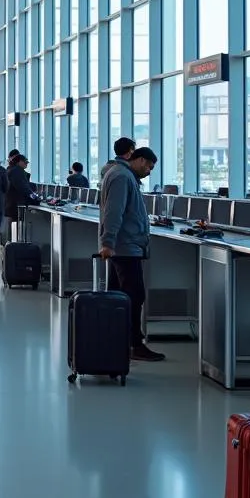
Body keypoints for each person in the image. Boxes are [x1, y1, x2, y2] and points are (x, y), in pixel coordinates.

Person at [99, 146, 163, 363]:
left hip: (124, 245)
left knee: (119, 295)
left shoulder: (120, 174)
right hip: (125, 247)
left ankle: (117, 340)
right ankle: (134, 344)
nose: (149, 171)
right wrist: (108, 241)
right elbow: (114, 211)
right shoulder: (122, 177)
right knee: (135, 296)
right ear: (141, 160)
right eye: (150, 167)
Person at [5, 152, 31, 243]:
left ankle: (10, 244)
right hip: (16, 203)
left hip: (10, 202)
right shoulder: (17, 171)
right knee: (14, 225)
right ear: (19, 162)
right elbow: (22, 187)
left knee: (12, 224)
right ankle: (13, 245)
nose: (27, 164)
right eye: (25, 162)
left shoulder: (11, 170)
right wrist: (33, 196)